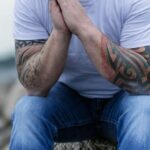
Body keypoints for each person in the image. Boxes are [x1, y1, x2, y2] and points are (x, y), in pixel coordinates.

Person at [10, 0, 150, 149]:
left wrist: (83, 27)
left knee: (144, 109)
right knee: (27, 110)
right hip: (68, 99)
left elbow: (145, 81)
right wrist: (59, 32)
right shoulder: (30, 3)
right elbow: (34, 87)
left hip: (123, 99)